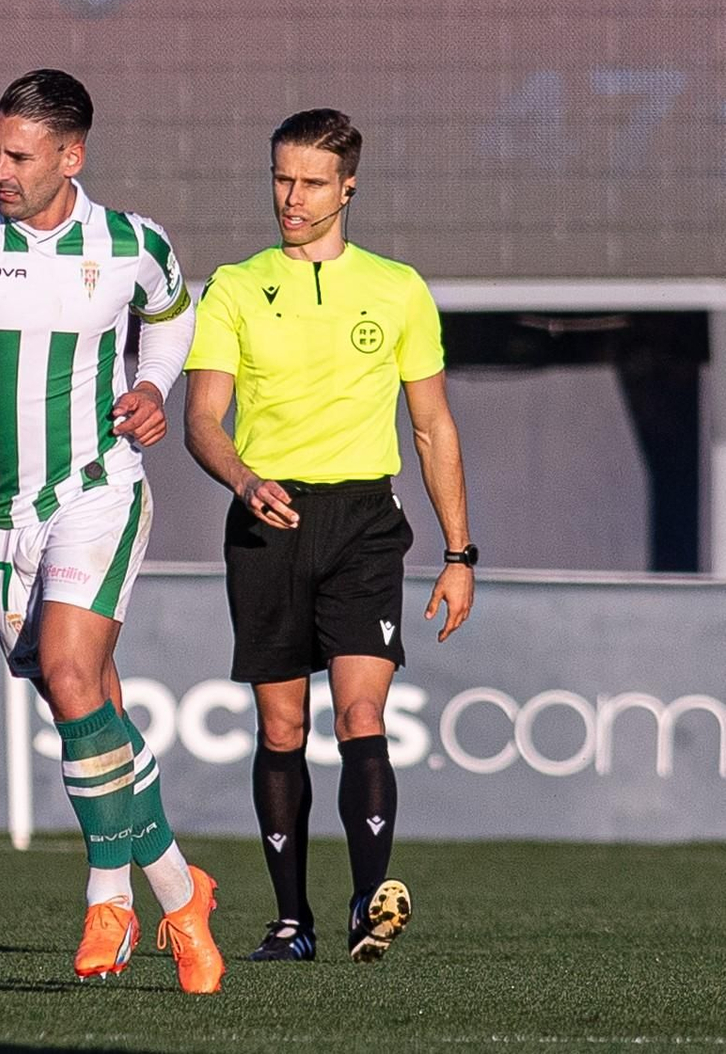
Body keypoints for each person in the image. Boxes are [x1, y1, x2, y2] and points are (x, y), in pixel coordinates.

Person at [0, 68, 223, 994]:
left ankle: (109, 897)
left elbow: (172, 316)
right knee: (87, 703)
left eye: (19, 156)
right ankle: (181, 888)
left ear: (71, 156)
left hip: (97, 491)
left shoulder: (131, 242)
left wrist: (153, 387)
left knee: (68, 671)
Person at [183, 108, 475, 964]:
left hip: (363, 523)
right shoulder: (235, 287)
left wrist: (459, 553)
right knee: (281, 727)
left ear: (348, 187)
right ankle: (290, 921)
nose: (293, 197)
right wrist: (244, 479)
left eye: (312, 182)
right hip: (267, 520)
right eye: (282, 178)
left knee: (360, 713)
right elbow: (202, 420)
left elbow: (433, 427)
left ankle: (366, 904)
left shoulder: (398, 288)